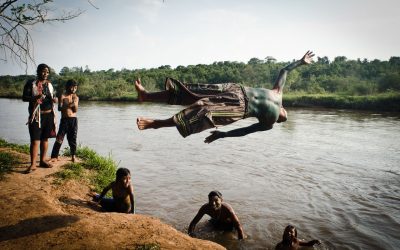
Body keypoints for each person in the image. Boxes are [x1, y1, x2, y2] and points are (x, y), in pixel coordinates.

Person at [135, 51, 315, 143]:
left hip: (238, 107)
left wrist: (223, 135)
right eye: (283, 116)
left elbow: (245, 131)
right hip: (237, 90)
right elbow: (285, 70)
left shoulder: (269, 121)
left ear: (279, 119)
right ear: (283, 109)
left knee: (199, 113)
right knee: (194, 91)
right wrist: (301, 61)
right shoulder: (278, 95)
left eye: (281, 119)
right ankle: (146, 96)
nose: (282, 117)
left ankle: (156, 124)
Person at [22, 63, 58, 173]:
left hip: (49, 115)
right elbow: (24, 98)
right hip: (36, 115)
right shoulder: (31, 83)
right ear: (38, 72)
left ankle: (42, 160)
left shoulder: (50, 85)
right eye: (43, 71)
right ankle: (33, 164)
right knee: (35, 140)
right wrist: (35, 97)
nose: (45, 74)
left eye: (47, 72)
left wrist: (54, 99)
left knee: (45, 139)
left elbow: (53, 96)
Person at [50, 79, 79, 162]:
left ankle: (73, 156)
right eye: (72, 87)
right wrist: (70, 104)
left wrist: (71, 103)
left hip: (73, 120)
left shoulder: (76, 97)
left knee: (73, 138)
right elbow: (59, 108)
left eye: (75, 88)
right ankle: (54, 156)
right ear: (68, 87)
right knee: (59, 137)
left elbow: (75, 110)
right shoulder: (62, 96)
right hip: (65, 119)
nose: (73, 89)